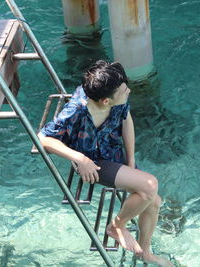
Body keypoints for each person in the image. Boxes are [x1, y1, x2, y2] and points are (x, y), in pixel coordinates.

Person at [38, 60, 173, 267]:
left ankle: (145, 252)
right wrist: (80, 159)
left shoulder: (117, 99)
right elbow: (43, 138)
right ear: (105, 101)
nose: (128, 90)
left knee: (154, 201)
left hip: (113, 152)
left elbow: (126, 119)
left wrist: (131, 159)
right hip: (92, 163)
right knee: (150, 186)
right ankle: (116, 226)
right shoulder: (77, 111)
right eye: (123, 90)